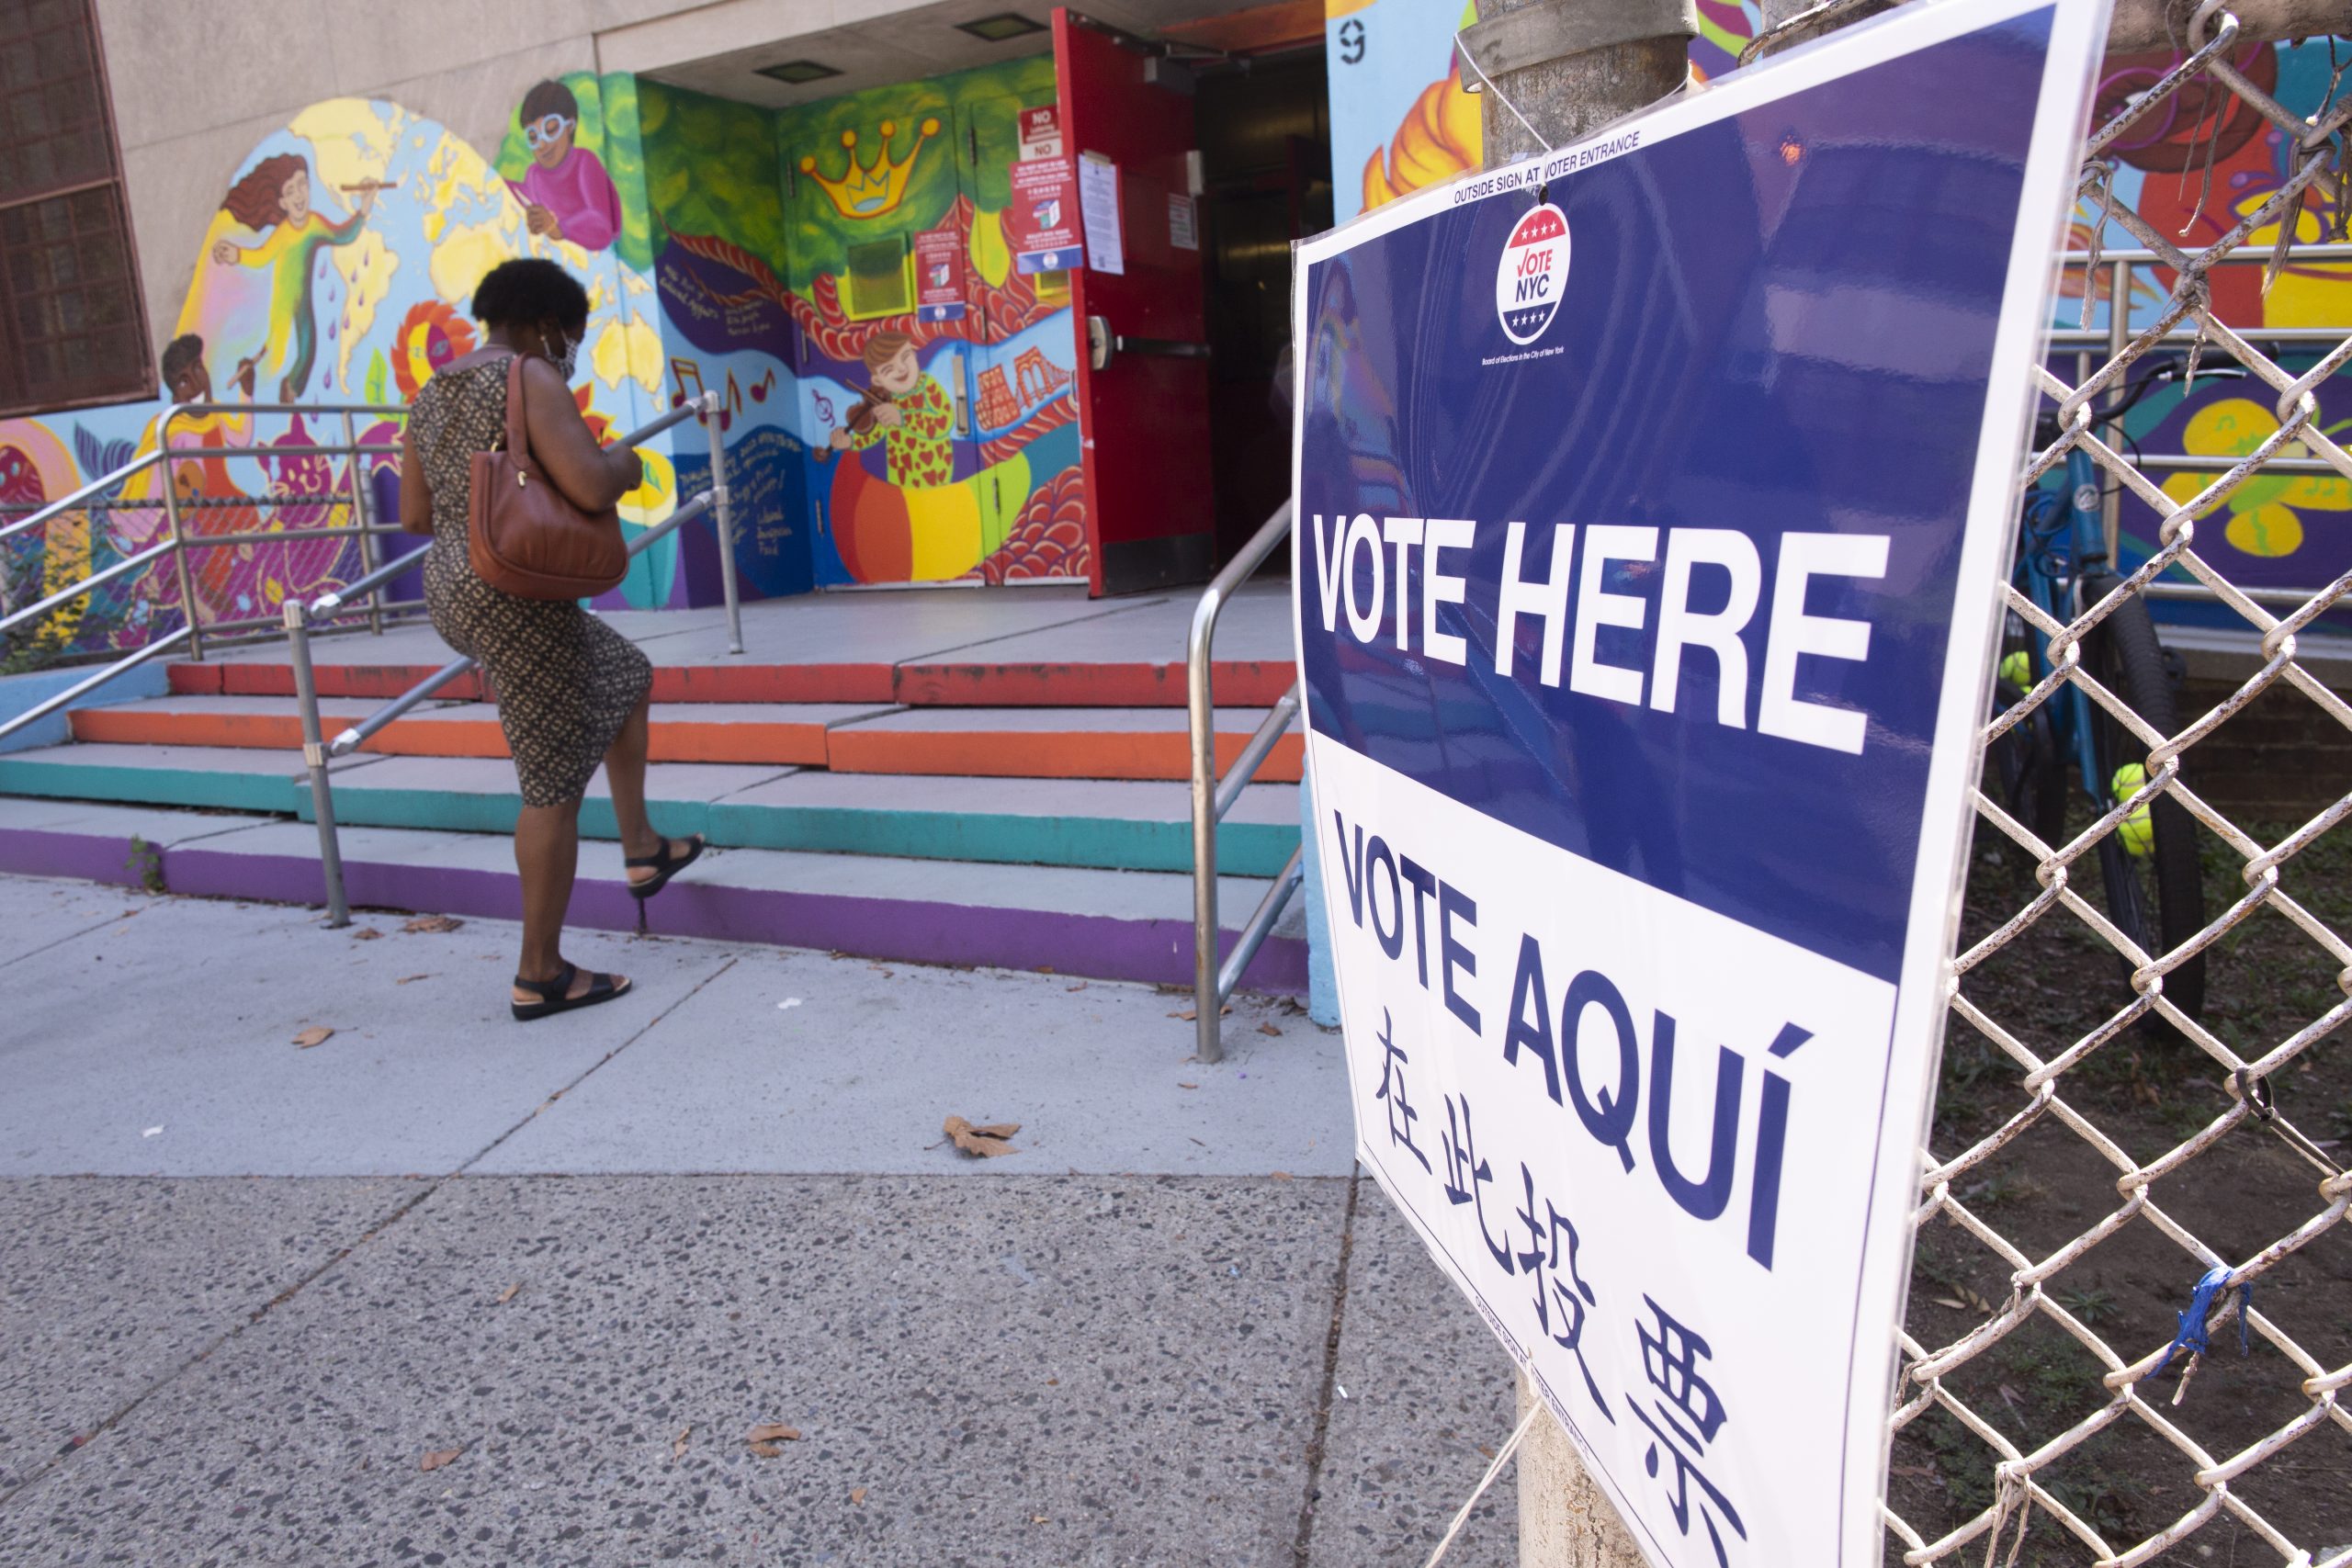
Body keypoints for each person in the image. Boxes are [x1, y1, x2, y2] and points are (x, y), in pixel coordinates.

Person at [397, 258, 703, 1021]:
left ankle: (642, 845)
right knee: (551, 779)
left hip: (456, 586)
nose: (572, 348)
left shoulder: (430, 395)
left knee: (626, 673)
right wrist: (626, 464)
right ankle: (540, 972)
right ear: (542, 325)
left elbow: (412, 514)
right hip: (513, 594)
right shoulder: (529, 376)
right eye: (572, 334)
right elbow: (592, 484)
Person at [209, 153, 377, 402]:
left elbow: (342, 236)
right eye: (290, 191)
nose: (299, 195)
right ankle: (276, 392)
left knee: (307, 351)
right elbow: (262, 256)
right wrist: (237, 255)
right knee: (274, 350)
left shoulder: (314, 224)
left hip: (304, 302)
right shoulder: (283, 234)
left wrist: (364, 207)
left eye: (302, 185)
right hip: (284, 300)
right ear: (283, 203)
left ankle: (290, 391)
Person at [503, 80, 624, 252]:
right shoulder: (534, 174)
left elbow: (601, 226)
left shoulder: (584, 162)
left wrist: (558, 228)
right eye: (533, 137)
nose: (542, 145)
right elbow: (522, 196)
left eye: (551, 130)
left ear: (570, 126)